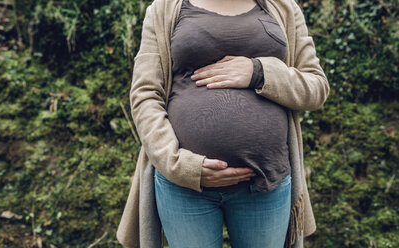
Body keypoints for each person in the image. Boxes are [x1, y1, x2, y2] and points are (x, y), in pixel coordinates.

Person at [117, 0, 329, 247]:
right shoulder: (165, 8)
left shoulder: (283, 7)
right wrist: (180, 166)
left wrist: (258, 72)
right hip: (185, 187)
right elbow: (145, 95)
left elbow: (316, 87)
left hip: (265, 181)